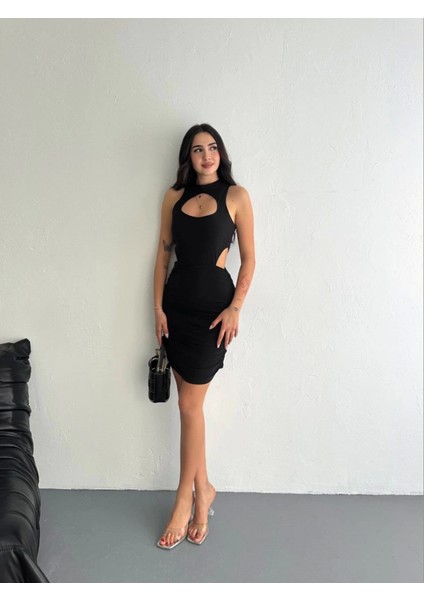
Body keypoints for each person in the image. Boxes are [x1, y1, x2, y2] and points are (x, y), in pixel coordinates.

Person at [153, 123, 255, 549]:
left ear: (221, 153)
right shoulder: (173, 197)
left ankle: (185, 500)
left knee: (189, 406)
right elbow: (162, 256)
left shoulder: (236, 196)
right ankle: (204, 489)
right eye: (198, 149)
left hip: (214, 316)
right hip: (176, 310)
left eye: (212, 148)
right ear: (188, 157)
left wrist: (236, 308)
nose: (207, 155)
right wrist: (157, 308)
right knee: (189, 409)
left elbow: (249, 259)